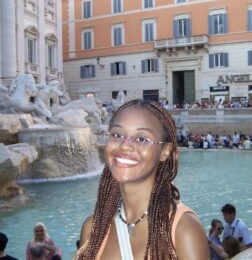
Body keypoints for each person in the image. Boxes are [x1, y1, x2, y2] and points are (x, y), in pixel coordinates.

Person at [73, 99, 209, 259]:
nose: (124, 146)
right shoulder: (92, 229)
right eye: (117, 135)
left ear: (165, 151)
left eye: (141, 139)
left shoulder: (184, 230)